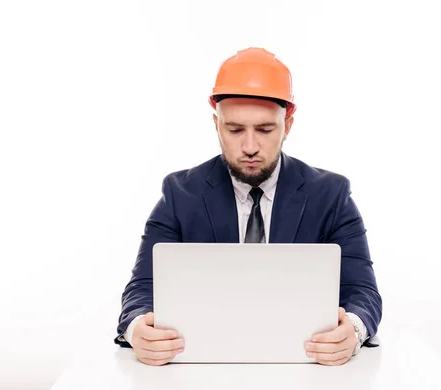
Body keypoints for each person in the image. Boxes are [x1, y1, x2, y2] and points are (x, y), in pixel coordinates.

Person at [114, 47, 382, 366]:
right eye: (235, 129)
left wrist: (352, 330)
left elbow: (362, 291)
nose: (250, 147)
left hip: (304, 369)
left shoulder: (331, 195)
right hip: (202, 368)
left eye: (266, 130)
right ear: (217, 124)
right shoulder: (180, 194)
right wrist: (137, 330)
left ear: (289, 125)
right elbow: (143, 287)